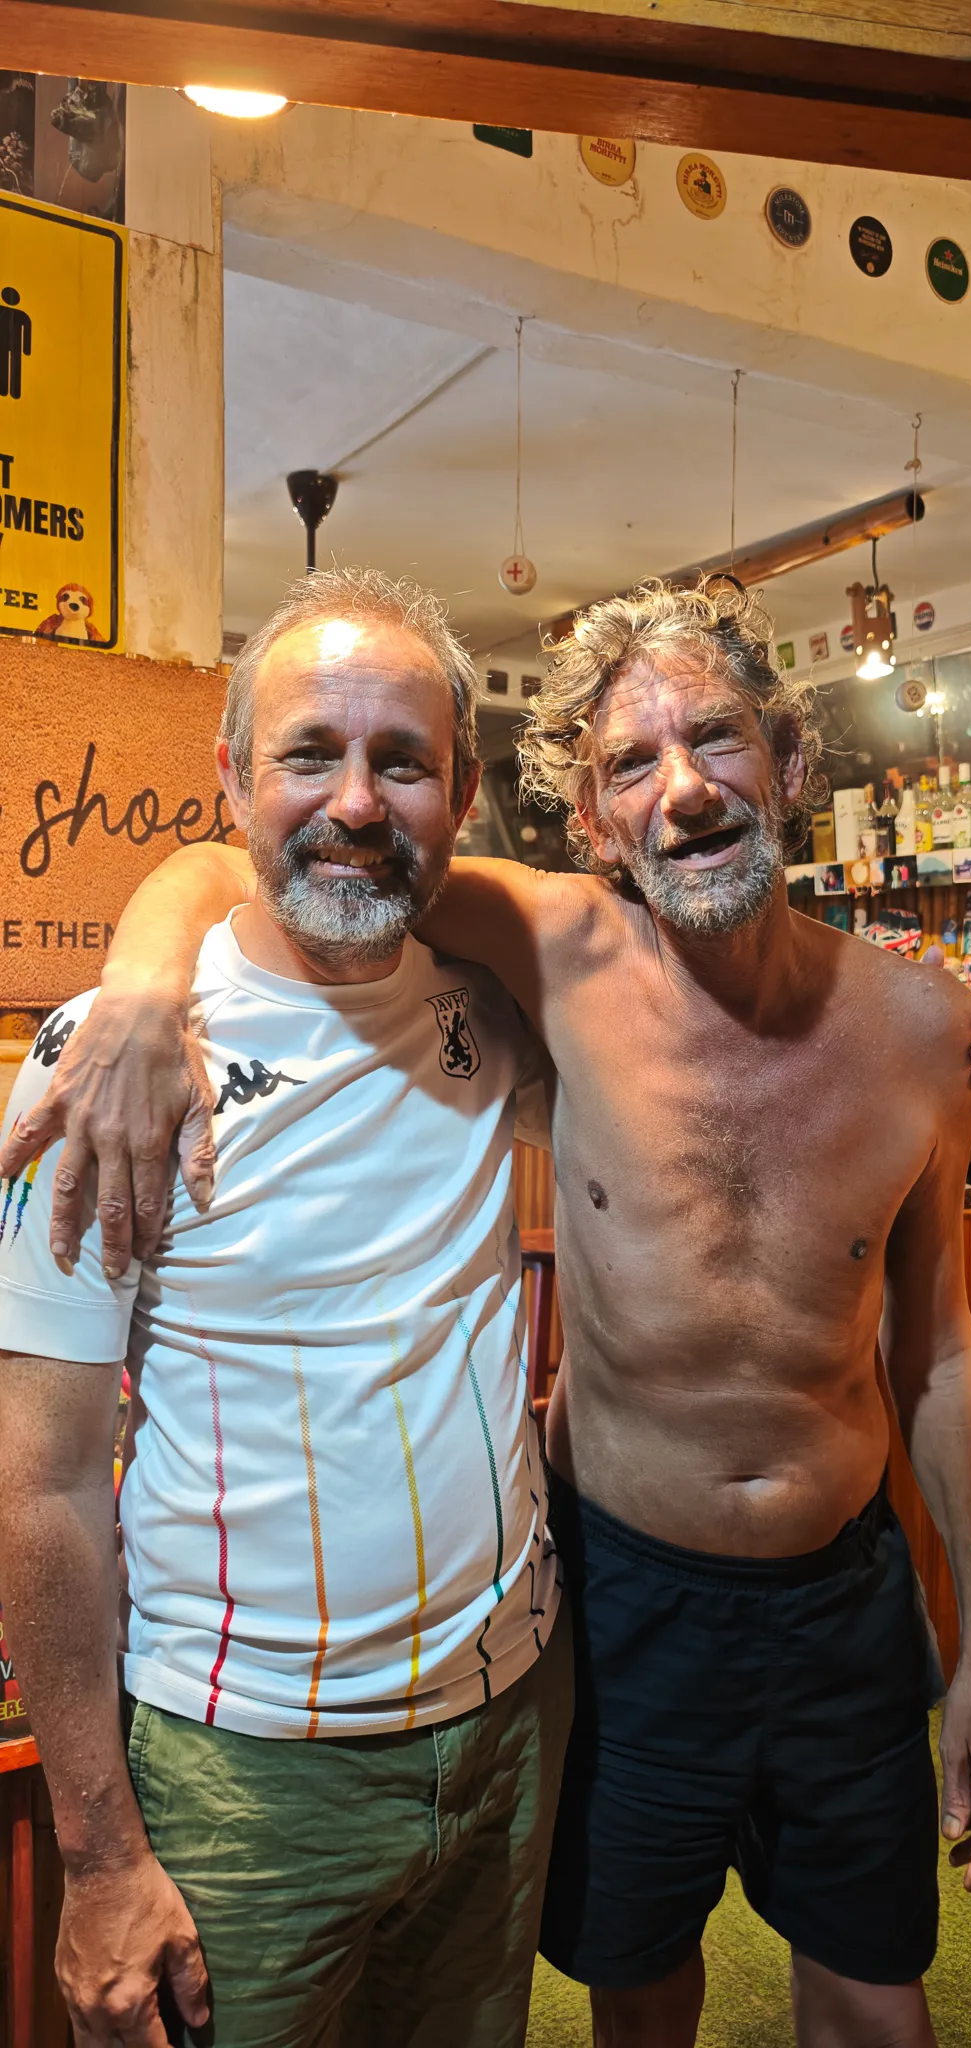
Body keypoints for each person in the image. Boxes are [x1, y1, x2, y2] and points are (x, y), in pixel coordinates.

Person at [4, 575, 971, 2048]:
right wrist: (144, 985)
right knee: (638, 1990)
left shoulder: (868, 1027)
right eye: (629, 764)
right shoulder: (503, 966)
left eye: (718, 737)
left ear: (791, 764)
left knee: (866, 1996)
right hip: (449, 1673)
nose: (683, 789)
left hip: (657, 1661)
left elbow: (935, 1345)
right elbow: (279, 857)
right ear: (590, 822)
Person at [0, 571, 571, 2048]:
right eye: (311, 753)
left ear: (458, 791)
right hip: (246, 1778)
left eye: (403, 761)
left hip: (507, 1726)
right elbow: (44, 1482)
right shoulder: (108, 1062)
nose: (358, 804)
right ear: (232, 780)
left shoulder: (486, 1012)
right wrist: (100, 1856)